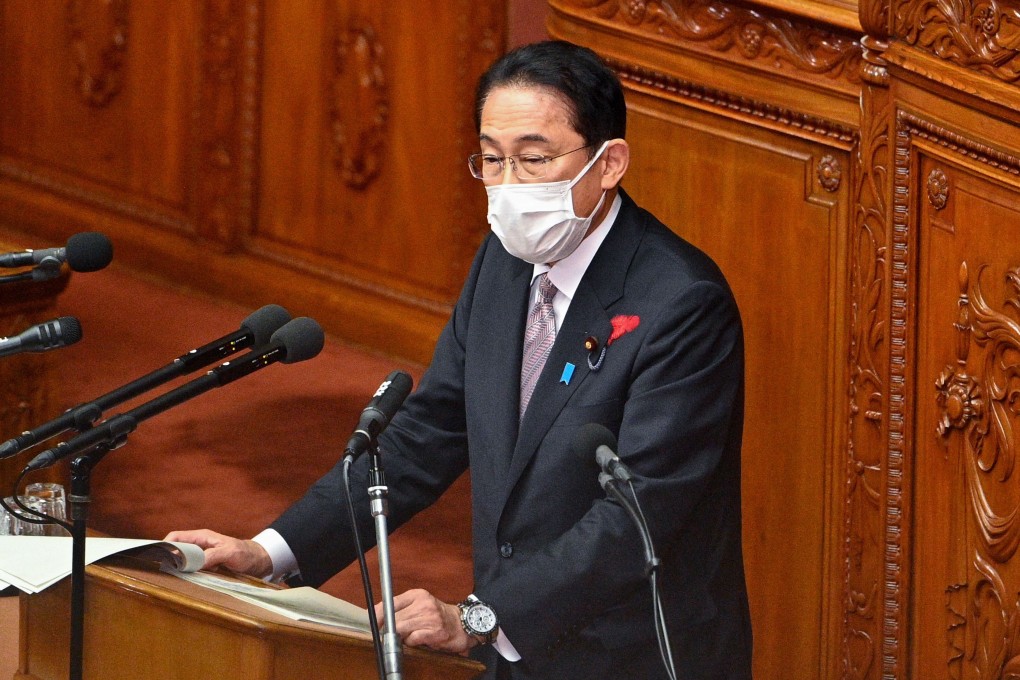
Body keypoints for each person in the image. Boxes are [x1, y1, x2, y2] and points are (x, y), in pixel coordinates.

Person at [168, 40, 752, 679]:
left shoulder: (682, 302)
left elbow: (641, 515)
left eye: (532, 159)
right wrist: (269, 552)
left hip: (635, 653)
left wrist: (483, 615)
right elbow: (430, 433)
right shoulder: (503, 261)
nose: (507, 187)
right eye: (492, 160)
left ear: (609, 163)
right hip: (519, 652)